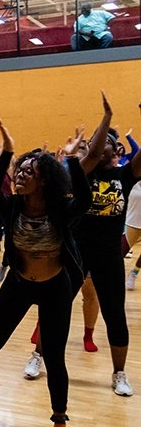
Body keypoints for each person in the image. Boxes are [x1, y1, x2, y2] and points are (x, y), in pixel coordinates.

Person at [0, 118, 90, 427]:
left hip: (55, 288)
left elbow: (85, 200)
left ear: (45, 180)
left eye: (29, 172)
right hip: (20, 284)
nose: (20, 175)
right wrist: (8, 152)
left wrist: (73, 159)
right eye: (19, 169)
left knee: (53, 356)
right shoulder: (11, 207)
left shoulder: (60, 210)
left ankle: (60, 418)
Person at [71, 96, 139, 396]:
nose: (102, 146)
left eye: (108, 142)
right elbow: (92, 148)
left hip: (110, 255)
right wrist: (107, 117)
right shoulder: (81, 174)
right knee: (56, 305)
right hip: (77, 251)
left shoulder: (123, 175)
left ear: (115, 151)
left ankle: (119, 373)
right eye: (99, 143)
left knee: (115, 314)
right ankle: (38, 356)